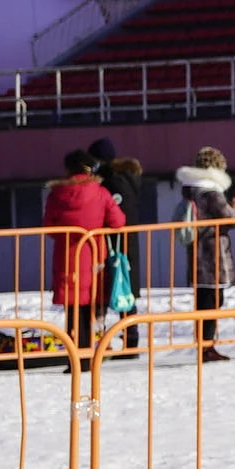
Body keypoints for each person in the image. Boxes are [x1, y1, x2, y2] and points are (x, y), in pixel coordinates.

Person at [43, 147, 126, 354]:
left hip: (67, 258)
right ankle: (92, 352)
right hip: (94, 257)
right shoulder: (100, 192)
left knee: (72, 309)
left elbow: (49, 228)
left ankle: (75, 354)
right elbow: (118, 221)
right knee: (92, 307)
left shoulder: (56, 194)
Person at [174, 148, 235, 361]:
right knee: (213, 302)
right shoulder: (211, 193)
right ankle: (207, 346)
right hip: (213, 255)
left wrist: (231, 205)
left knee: (203, 302)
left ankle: (204, 345)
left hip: (196, 255)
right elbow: (232, 219)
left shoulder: (191, 191)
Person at [100, 155, 147, 357]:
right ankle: (131, 339)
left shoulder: (113, 183)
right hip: (128, 245)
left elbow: (114, 216)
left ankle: (104, 341)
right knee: (126, 292)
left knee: (110, 291)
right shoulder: (129, 180)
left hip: (115, 245)